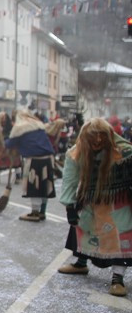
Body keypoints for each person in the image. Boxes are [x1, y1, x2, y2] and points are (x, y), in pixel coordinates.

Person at [56, 118, 132, 297]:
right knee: (85, 230)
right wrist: (70, 206)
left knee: (120, 237)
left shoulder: (125, 152)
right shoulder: (75, 153)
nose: (98, 141)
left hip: (118, 200)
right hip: (90, 199)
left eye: (102, 137)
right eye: (93, 137)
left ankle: (117, 278)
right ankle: (81, 263)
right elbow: (70, 179)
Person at [5, 109, 56, 222]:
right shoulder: (39, 126)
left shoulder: (19, 128)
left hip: (34, 159)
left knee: (34, 186)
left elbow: (9, 144)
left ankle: (35, 212)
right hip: (48, 158)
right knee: (44, 186)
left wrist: (5, 140)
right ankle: (42, 211)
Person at [0, 111, 20, 184]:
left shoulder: (12, 125)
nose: (3, 119)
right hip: (1, 146)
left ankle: (18, 177)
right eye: (2, 118)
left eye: (4, 117)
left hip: (12, 145)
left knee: (15, 162)